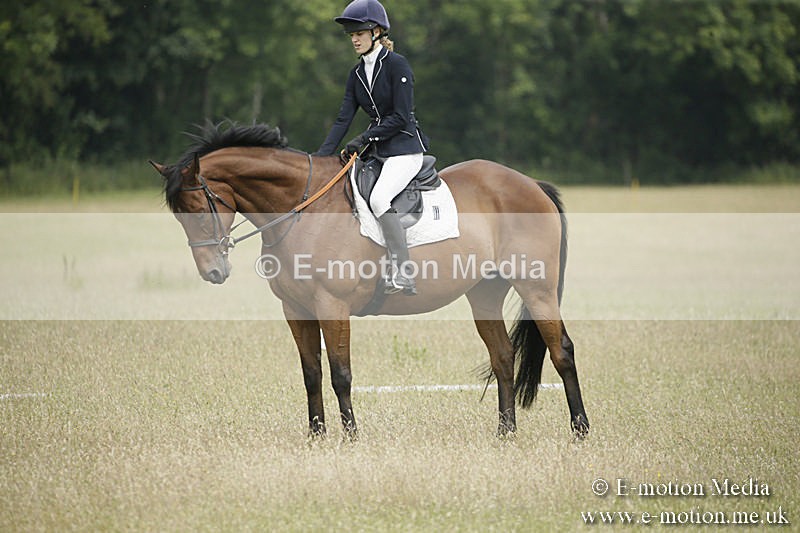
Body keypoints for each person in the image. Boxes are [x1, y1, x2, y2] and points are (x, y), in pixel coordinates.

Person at [315, 0, 429, 296]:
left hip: (404, 149)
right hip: (377, 151)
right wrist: (320, 157)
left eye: (360, 32)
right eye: (350, 34)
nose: (354, 38)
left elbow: (401, 117)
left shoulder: (397, 65)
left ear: (377, 32)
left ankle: (405, 272)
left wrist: (365, 138)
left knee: (379, 199)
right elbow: (343, 118)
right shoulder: (356, 74)